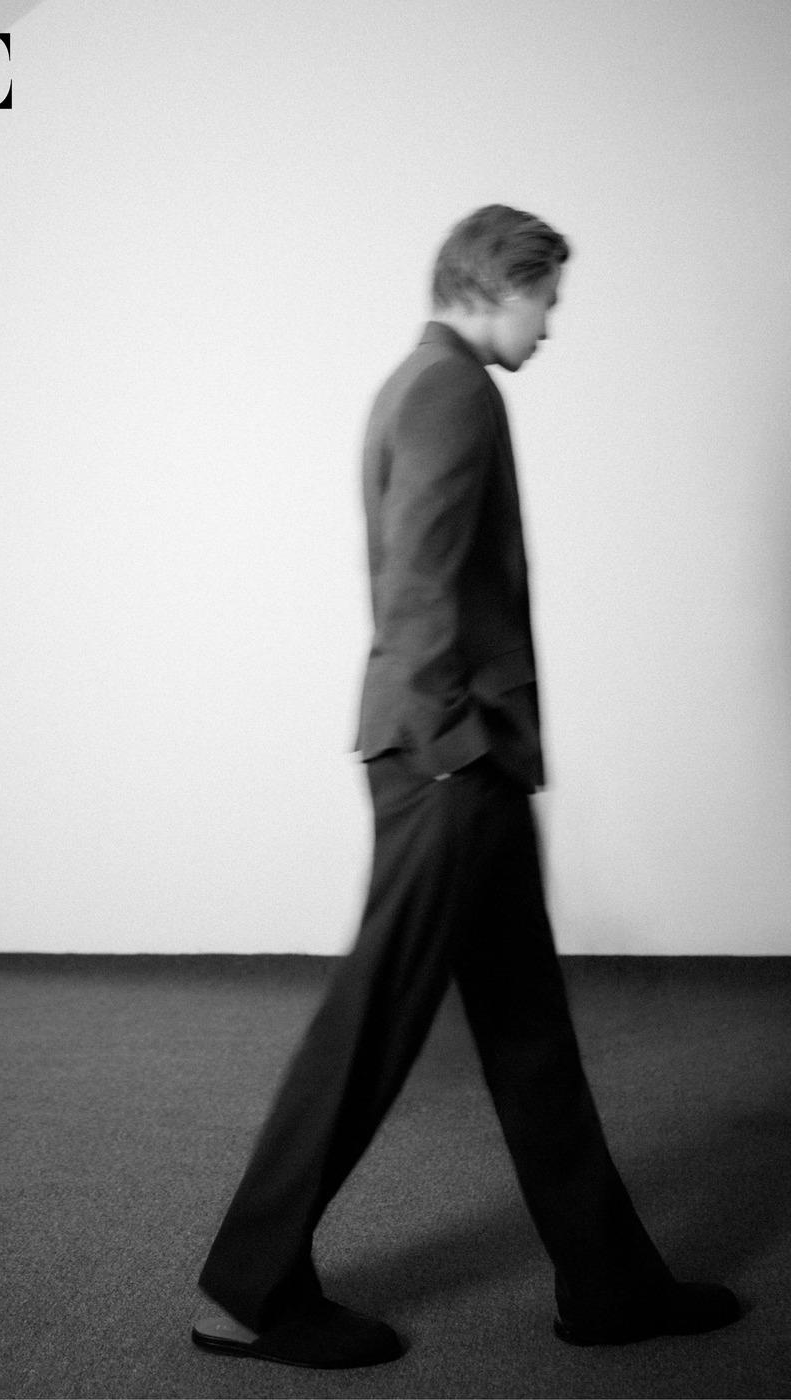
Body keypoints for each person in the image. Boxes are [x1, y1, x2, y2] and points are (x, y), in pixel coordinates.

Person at [189, 206, 741, 1370]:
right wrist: (452, 744)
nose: (551, 327)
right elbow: (421, 580)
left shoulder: (415, 381)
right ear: (500, 284)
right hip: (450, 759)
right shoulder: (453, 389)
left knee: (529, 1031)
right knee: (370, 1025)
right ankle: (247, 1290)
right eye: (548, 301)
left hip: (459, 754)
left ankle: (609, 1283)